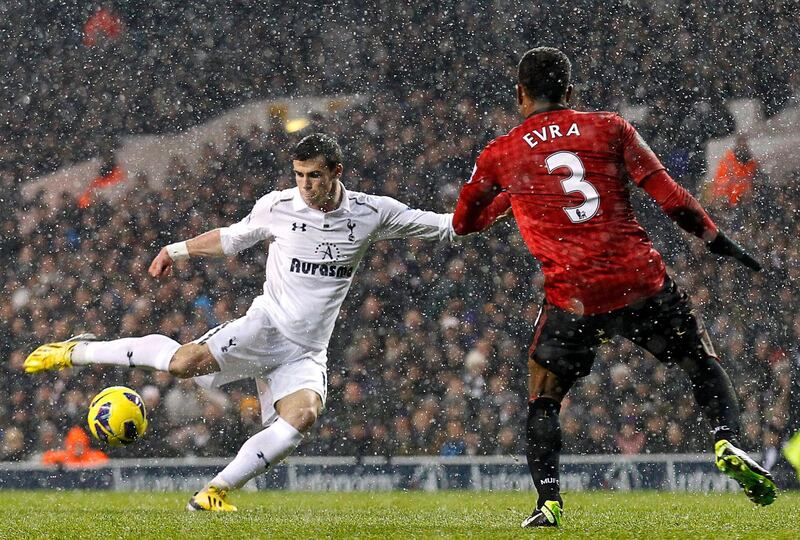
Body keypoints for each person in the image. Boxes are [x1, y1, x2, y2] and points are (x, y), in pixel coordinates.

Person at [24, 133, 508, 511]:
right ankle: (79, 349)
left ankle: (213, 492)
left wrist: (502, 206)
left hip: (307, 349)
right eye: (299, 175)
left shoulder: (371, 213)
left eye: (315, 176)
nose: (306, 186)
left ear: (337, 172)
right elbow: (232, 239)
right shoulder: (278, 207)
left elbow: (445, 227)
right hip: (266, 326)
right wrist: (176, 249)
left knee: (303, 416)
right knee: (181, 363)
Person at [453, 47, 775, 528]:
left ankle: (548, 501)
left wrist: (507, 198)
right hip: (640, 280)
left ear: (520, 94)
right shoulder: (610, 127)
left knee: (544, 397)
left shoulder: (502, 153)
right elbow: (673, 199)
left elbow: (463, 222)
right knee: (702, 363)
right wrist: (719, 242)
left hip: (575, 297)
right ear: (570, 92)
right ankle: (727, 438)